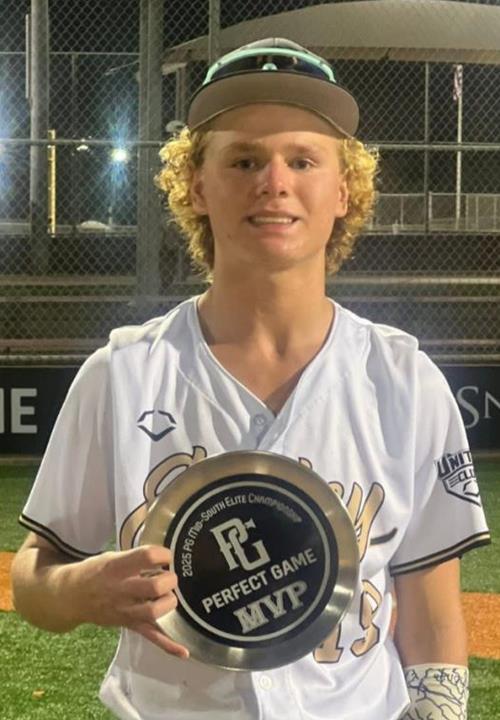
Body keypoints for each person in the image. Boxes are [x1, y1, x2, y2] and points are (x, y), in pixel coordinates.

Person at [12, 38, 490, 720]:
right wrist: (76, 590)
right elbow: (35, 575)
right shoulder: (122, 375)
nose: (274, 182)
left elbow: (433, 613)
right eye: (243, 160)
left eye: (303, 160)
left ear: (343, 189)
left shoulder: (404, 380)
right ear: (196, 186)